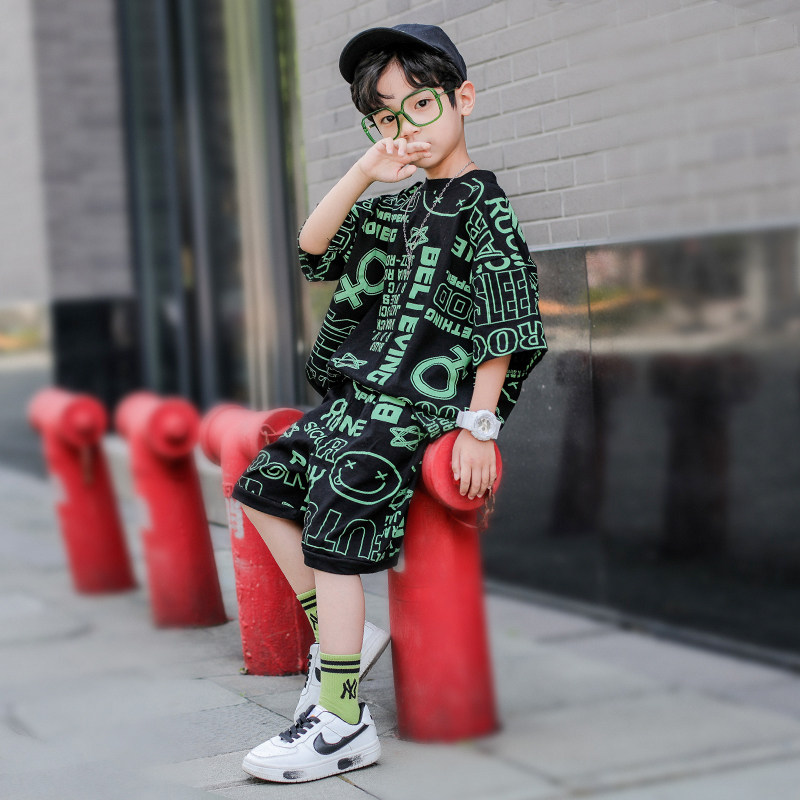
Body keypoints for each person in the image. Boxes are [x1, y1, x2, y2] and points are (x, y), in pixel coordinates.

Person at [231, 23, 547, 783]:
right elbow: (314, 249)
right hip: (364, 394)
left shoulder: (482, 203)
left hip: (421, 407)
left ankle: (341, 717)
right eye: (386, 115)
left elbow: (505, 319)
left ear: (463, 98)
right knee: (264, 483)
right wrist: (365, 172)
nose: (408, 127)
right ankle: (341, 638)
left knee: (337, 503)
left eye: (422, 104)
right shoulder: (399, 205)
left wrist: (479, 426)